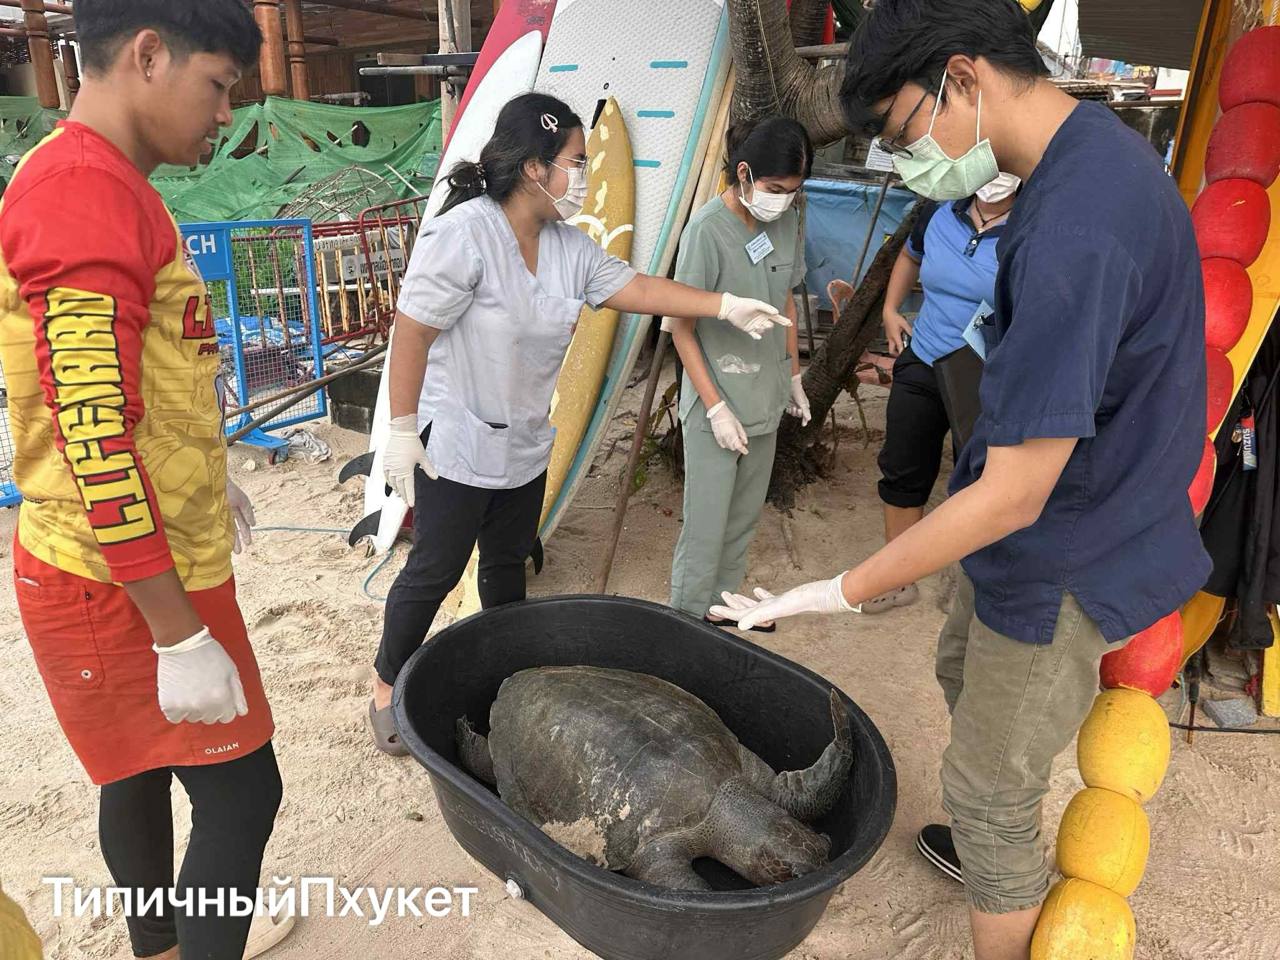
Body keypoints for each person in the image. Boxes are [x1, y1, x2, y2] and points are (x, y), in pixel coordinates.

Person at [710, 2, 1210, 959]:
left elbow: (1022, 492)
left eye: (905, 132)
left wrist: (837, 591)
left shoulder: (1078, 223)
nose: (909, 164)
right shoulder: (1082, 155)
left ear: (965, 77)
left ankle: (996, 834)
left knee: (989, 788)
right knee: (955, 667)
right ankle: (996, 834)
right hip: (1026, 513)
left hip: (1067, 537)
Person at [0, 3, 292, 958]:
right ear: (148, 53)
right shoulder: (83, 189)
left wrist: (208, 476)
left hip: (137, 550)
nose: (222, 117)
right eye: (217, 87)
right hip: (120, 577)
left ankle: (161, 946)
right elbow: (92, 432)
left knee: (136, 773)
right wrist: (177, 633)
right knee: (245, 794)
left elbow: (135, 384)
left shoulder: (110, 181)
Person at [369, 93, 792, 754]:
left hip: (525, 442)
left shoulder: (570, 248)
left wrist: (725, 303)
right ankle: (384, 686)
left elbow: (642, 289)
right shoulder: (466, 234)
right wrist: (400, 429)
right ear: (535, 168)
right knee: (437, 569)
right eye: (575, 162)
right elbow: (414, 332)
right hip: (454, 437)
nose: (585, 179)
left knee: (507, 567)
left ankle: (506, 683)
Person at [667, 116, 814, 629]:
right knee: (705, 525)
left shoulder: (788, 219)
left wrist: (793, 375)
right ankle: (685, 621)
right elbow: (681, 329)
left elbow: (788, 302)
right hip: (719, 398)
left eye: (794, 192)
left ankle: (722, 608)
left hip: (766, 393)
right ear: (745, 173)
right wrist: (714, 406)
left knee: (743, 519)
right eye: (775, 189)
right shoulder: (707, 231)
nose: (784, 200)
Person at [866, 170, 1019, 613]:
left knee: (976, 480)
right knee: (901, 466)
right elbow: (911, 256)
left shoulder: (1031, 226)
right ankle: (897, 577)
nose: (995, 178)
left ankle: (973, 587)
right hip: (925, 356)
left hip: (984, 375)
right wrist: (892, 309)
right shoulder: (939, 211)